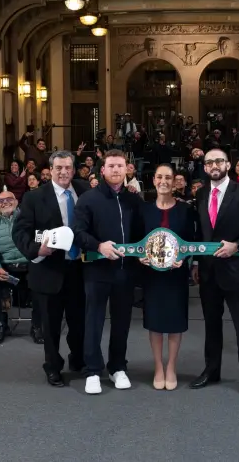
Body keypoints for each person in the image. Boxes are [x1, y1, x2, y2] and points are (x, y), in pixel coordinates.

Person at [190, 148, 239, 398]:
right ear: (204, 167)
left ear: (228, 164)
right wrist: (195, 263)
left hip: (235, 271)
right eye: (209, 161)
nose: (214, 165)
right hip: (208, 273)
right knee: (211, 325)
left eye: (218, 161)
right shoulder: (201, 194)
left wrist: (237, 246)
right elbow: (201, 235)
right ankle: (212, 370)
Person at [13, 151, 89, 386]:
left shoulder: (85, 191)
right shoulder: (34, 198)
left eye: (68, 168)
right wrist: (37, 250)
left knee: (80, 322)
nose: (64, 172)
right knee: (51, 324)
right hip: (49, 271)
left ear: (74, 170)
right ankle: (53, 366)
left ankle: (79, 360)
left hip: (81, 269)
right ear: (51, 170)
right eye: (59, 168)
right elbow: (20, 232)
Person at [73, 149, 143, 395]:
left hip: (125, 271)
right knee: (93, 321)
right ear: (102, 170)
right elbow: (78, 233)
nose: (115, 170)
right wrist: (98, 245)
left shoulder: (134, 200)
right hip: (96, 270)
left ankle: (117, 367)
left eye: (120, 166)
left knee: (122, 321)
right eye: (111, 166)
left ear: (127, 170)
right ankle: (92, 370)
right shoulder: (88, 199)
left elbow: (141, 234)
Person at [139, 164, 196, 390]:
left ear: (174, 182)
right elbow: (137, 241)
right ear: (154, 180)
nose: (164, 181)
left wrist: (186, 257)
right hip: (151, 275)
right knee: (155, 321)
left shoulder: (185, 210)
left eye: (168, 178)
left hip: (176, 274)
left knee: (174, 322)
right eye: (159, 176)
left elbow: (191, 242)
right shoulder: (144, 210)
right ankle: (158, 367)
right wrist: (138, 257)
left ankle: (171, 366)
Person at [0, 190, 41, 345]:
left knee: (42, 280)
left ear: (16, 202)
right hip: (6, 268)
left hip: (28, 265)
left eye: (9, 199)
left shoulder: (29, 220)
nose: (5, 203)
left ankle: (37, 325)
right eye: (1, 201)